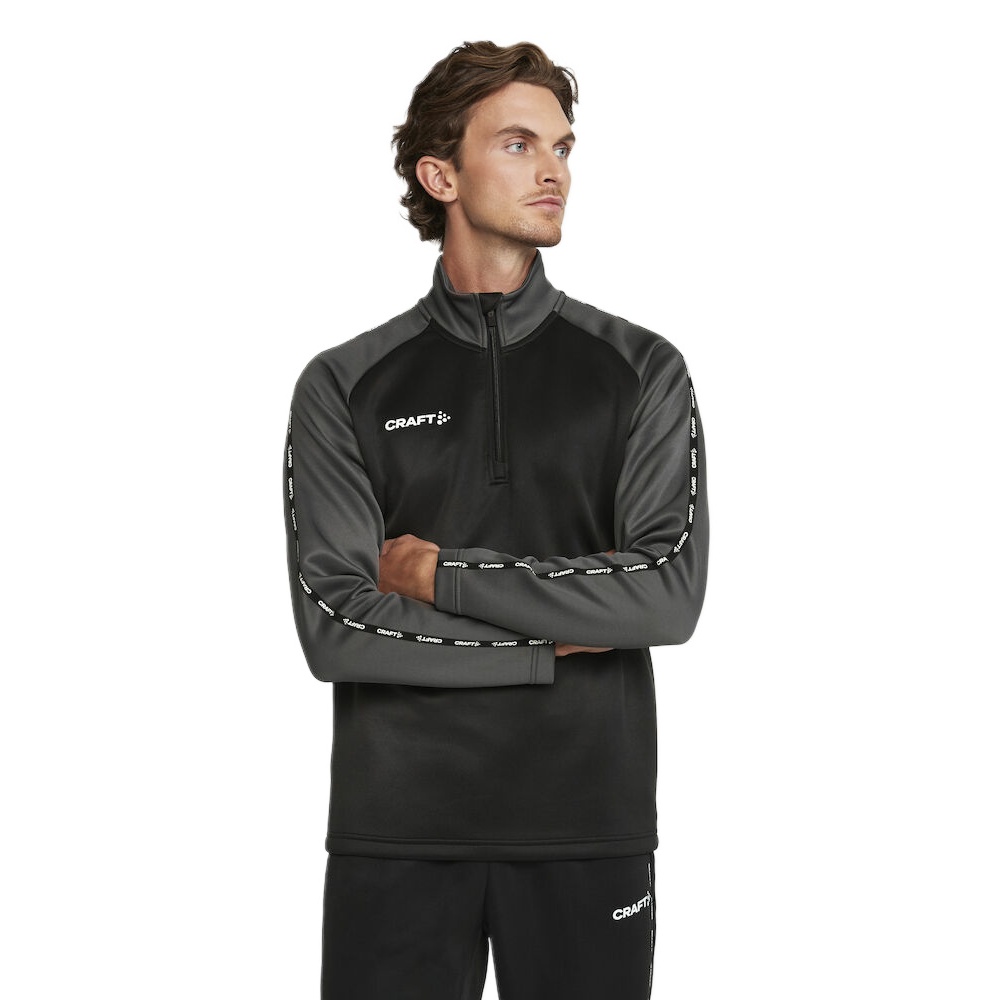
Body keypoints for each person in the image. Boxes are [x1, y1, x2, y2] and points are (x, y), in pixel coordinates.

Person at [284, 40, 708, 1000]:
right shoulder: (344, 384)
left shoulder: (642, 370)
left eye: (562, 146)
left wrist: (440, 576)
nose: (553, 169)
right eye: (518, 144)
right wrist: (549, 643)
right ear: (441, 175)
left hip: (586, 826)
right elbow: (338, 627)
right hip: (397, 831)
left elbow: (665, 595)